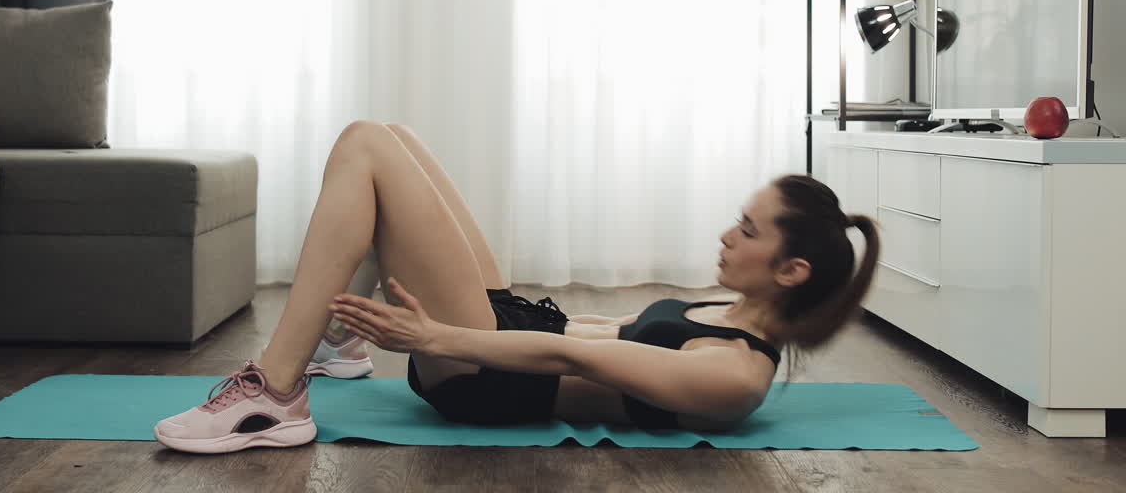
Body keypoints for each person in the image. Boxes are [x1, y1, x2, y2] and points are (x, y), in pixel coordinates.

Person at [153, 121, 880, 453]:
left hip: (487, 376)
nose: (727, 236)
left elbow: (578, 363)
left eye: (748, 233)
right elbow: (599, 331)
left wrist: (432, 335)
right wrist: (493, 305)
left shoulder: (735, 376)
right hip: (504, 333)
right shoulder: (726, 310)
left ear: (792, 273)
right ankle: (336, 347)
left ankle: (276, 394)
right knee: (396, 139)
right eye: (737, 221)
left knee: (366, 147)